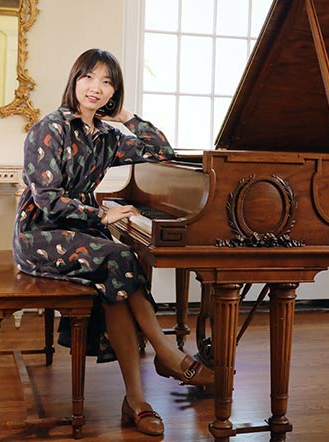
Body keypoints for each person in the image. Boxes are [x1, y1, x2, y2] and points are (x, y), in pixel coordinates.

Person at [12, 48, 213, 436]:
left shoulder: (106, 137)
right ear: (75, 79)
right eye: (89, 77)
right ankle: (165, 357)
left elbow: (162, 151)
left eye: (107, 82)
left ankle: (137, 398)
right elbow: (47, 201)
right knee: (120, 259)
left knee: (117, 276)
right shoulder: (48, 129)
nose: (96, 88)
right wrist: (99, 215)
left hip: (81, 234)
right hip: (38, 233)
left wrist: (124, 117)